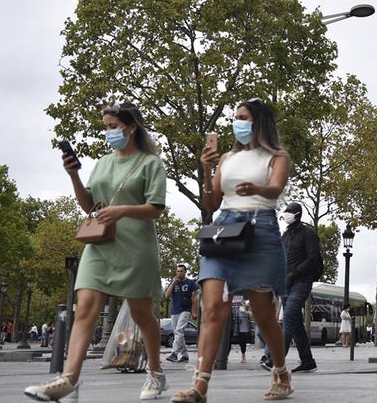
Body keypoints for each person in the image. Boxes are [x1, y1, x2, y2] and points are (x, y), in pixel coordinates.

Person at [24, 102, 167, 401]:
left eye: (113, 126)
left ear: (132, 127)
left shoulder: (151, 163)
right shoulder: (103, 163)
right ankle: (68, 380)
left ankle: (156, 371)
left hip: (135, 247)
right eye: (106, 126)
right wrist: (74, 176)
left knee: (143, 316)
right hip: (100, 243)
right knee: (85, 306)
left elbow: (155, 209)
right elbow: (90, 205)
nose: (108, 132)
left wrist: (121, 211)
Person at [172, 99, 293, 402]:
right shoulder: (226, 157)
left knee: (264, 316)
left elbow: (276, 189)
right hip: (223, 231)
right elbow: (211, 204)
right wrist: (206, 168)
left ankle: (280, 371)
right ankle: (200, 385)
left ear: (260, 122)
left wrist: (257, 189)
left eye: (243, 117)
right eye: (235, 117)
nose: (237, 122)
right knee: (213, 309)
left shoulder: (277, 157)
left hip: (259, 230)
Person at [261, 202, 320, 373]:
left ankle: (275, 359)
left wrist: (293, 274)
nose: (286, 214)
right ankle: (308, 361)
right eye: (285, 211)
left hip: (301, 282)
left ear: (298, 214)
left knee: (288, 319)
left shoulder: (308, 233)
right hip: (286, 284)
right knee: (295, 324)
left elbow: (313, 258)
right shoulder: (285, 235)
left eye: (289, 211)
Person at [164, 263, 198, 363]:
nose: (179, 273)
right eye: (178, 271)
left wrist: (194, 312)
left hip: (185, 310)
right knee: (178, 334)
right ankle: (185, 355)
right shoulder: (174, 282)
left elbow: (195, 298)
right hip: (175, 311)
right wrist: (174, 282)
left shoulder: (191, 283)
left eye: (181, 271)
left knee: (179, 330)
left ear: (185, 272)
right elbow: (166, 295)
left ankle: (174, 353)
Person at [230, 296, 252, 363]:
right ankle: (225, 356)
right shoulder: (230, 290)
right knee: (228, 337)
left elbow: (249, 302)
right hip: (231, 316)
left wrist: (244, 304)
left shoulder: (244, 292)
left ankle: (243, 356)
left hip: (242, 317)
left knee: (242, 338)